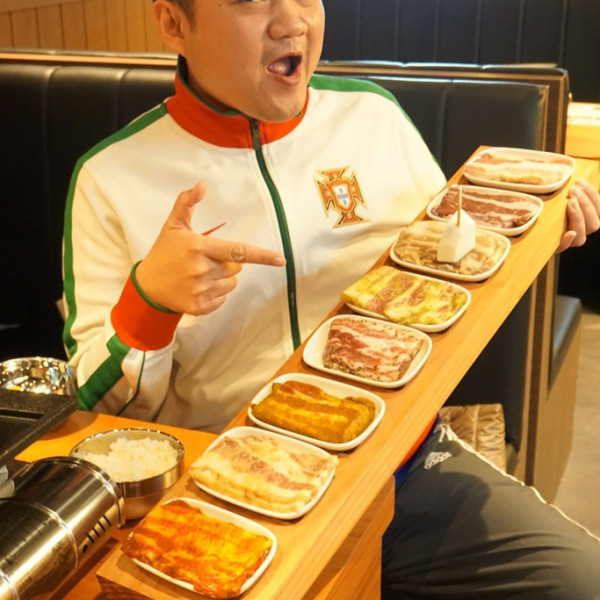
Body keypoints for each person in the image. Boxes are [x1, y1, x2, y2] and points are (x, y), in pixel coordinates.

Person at [62, 1, 600, 598]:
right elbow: (95, 411)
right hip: (230, 500)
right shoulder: (111, 177)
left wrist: (537, 222)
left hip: (407, 467)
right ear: (173, 23)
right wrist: (151, 303)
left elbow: (451, 253)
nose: (291, 21)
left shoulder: (372, 117)